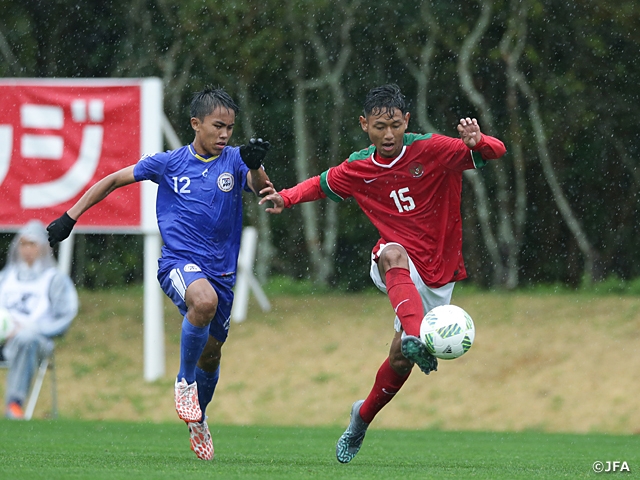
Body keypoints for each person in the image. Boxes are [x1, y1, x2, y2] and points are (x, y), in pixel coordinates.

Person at [259, 84, 506, 463]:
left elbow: (496, 152)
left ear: (406, 121)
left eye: (394, 125)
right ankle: (414, 334)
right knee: (390, 253)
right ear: (364, 125)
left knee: (399, 361)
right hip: (398, 263)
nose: (388, 135)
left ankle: (361, 418)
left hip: (438, 271)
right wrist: (285, 197)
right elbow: (322, 184)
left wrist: (478, 141)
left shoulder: (434, 149)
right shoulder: (360, 166)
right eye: (379, 127)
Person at [46, 86, 272, 461]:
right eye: (218, 126)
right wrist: (70, 217)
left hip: (222, 272)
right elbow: (113, 180)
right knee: (203, 301)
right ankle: (183, 383)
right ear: (195, 124)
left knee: (212, 356)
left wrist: (254, 163)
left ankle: (198, 417)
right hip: (178, 263)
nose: (225, 135)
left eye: (230, 128)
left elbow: (266, 193)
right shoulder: (168, 163)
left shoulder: (234, 160)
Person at [0, 220, 78, 420]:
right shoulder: (5, 277)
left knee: (26, 339)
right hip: (3, 338)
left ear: (43, 247)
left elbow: (66, 315)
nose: (27, 250)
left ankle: (14, 404)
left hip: (36, 341)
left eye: (32, 244)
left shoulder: (54, 279)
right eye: (24, 244)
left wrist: (32, 328)